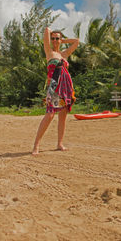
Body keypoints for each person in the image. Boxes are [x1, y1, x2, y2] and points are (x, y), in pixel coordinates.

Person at [32, 27, 79, 155]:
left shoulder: (64, 54)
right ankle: (36, 144)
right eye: (53, 38)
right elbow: (47, 29)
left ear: (61, 39)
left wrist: (62, 41)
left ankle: (59, 143)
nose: (54, 40)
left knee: (63, 116)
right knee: (50, 114)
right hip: (54, 86)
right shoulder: (49, 52)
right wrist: (53, 35)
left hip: (66, 87)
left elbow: (76, 41)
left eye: (57, 38)